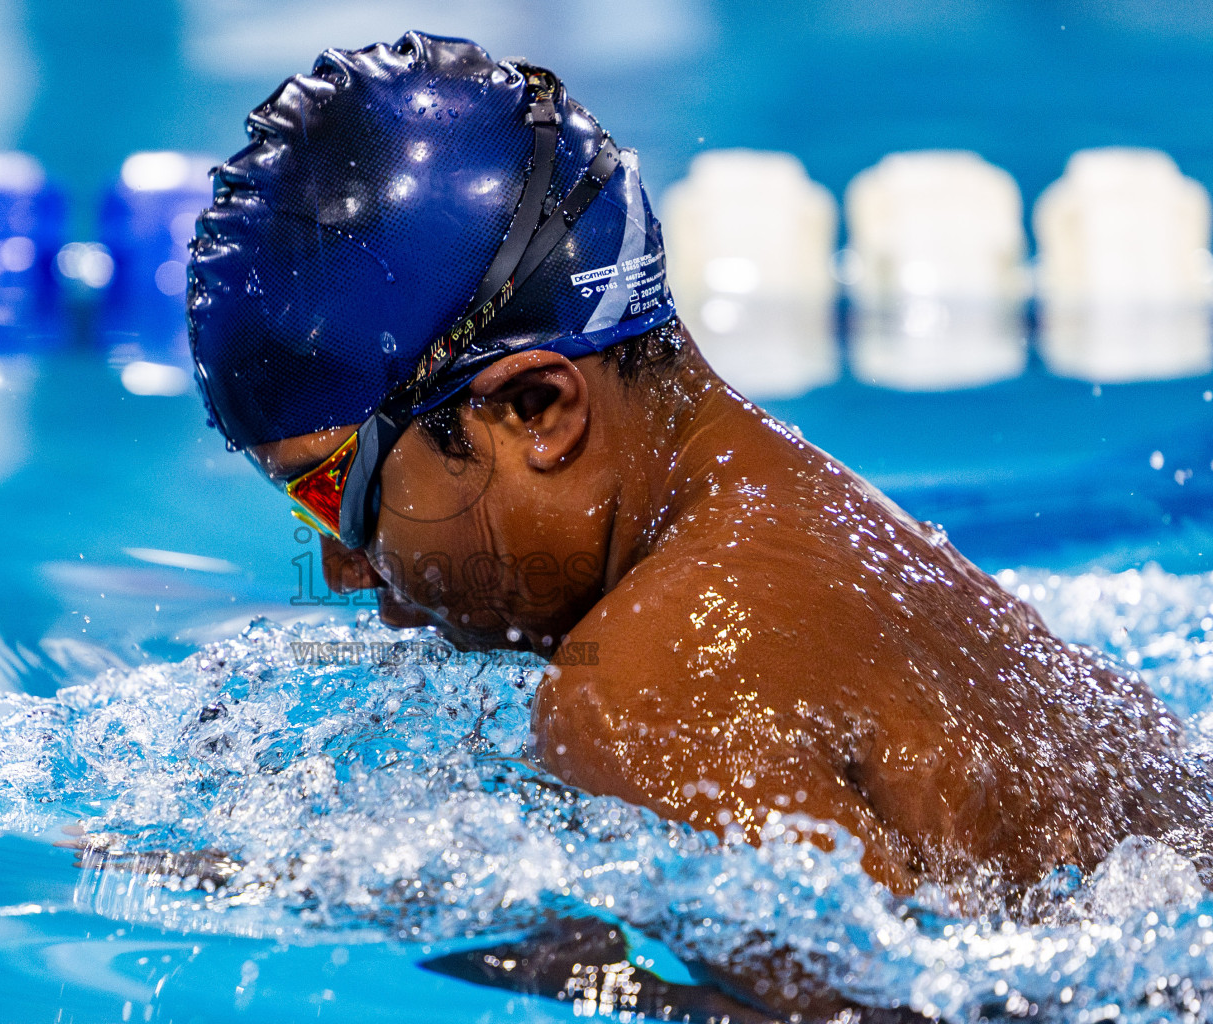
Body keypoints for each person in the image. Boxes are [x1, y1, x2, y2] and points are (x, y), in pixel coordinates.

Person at [187, 31, 1206, 1017]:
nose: (343, 565)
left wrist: (474, 941)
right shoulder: (829, 522)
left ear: (536, 408)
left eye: (332, 491)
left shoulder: (648, 691)